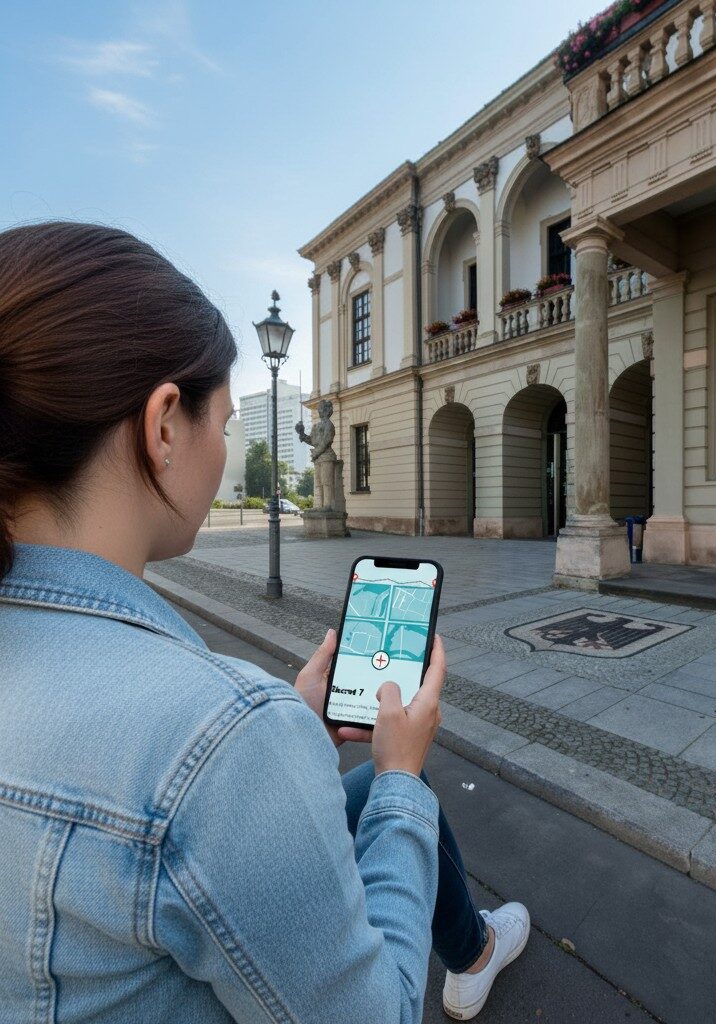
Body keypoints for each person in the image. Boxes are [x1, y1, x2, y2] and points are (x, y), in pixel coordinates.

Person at [0, 221, 530, 1023]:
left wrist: (301, 738)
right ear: (164, 424)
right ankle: (473, 949)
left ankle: (474, 947)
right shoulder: (221, 736)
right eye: (218, 423)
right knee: (397, 790)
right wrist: (392, 774)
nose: (221, 450)